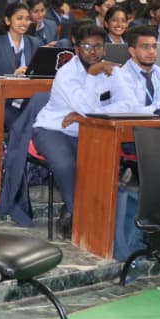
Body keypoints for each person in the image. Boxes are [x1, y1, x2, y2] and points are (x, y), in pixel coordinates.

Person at [31, 22, 120, 238]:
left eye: (98, 46)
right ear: (77, 48)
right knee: (66, 165)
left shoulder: (112, 71)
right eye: (87, 47)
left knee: (104, 165)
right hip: (53, 129)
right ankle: (77, 215)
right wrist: (92, 76)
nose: (93, 52)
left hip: (89, 131)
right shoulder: (66, 74)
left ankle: (81, 212)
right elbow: (87, 107)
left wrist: (86, 115)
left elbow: (126, 104)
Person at [0, 0, 42, 132]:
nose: (24, 22)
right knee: (21, 126)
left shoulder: (35, 43)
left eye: (27, 19)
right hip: (3, 100)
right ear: (8, 21)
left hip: (29, 99)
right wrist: (11, 76)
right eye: (19, 18)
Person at [108, 25, 160, 114]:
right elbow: (130, 112)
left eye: (154, 46)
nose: (152, 51)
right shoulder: (121, 76)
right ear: (132, 51)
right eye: (145, 47)